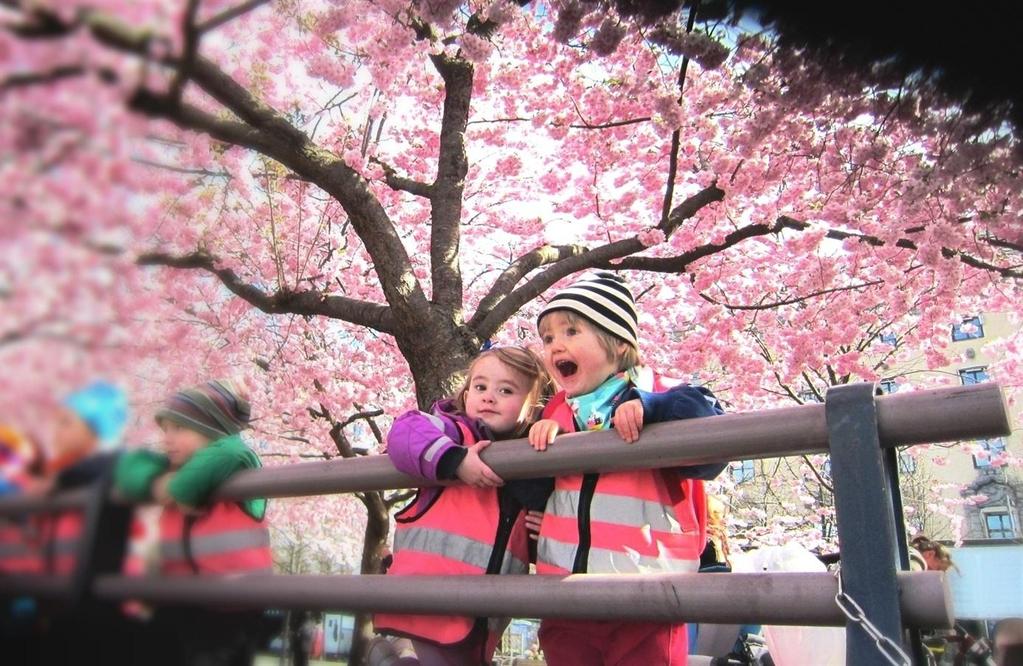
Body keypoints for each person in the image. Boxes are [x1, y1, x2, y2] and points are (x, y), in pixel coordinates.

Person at [526, 272, 726, 666]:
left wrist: (651, 408)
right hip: (565, 592)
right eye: (548, 338)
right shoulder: (558, 409)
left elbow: (711, 448)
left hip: (646, 591)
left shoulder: (663, 392)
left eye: (571, 331)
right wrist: (542, 438)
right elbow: (538, 489)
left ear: (619, 344)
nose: (555, 346)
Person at [374, 346, 554, 666]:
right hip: (428, 600)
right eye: (480, 387)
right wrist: (453, 460)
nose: (488, 397)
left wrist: (548, 533)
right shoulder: (456, 432)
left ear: (533, 405)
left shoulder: (531, 465)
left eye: (506, 390)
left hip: (484, 615)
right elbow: (405, 430)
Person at [114, 379, 274, 666]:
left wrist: (178, 488)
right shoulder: (175, 468)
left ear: (212, 431)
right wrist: (156, 484)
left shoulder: (240, 467)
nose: (167, 439)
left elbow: (232, 448)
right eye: (166, 430)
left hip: (234, 607)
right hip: (180, 599)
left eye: (180, 429)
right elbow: (129, 466)